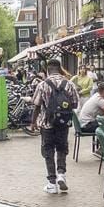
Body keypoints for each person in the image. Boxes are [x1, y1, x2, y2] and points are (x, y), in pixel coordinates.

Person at [31, 59, 79, 194]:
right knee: (62, 148)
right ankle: (61, 174)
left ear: (48, 70)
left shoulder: (42, 84)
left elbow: (36, 105)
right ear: (60, 68)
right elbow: (75, 104)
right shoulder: (69, 84)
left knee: (48, 151)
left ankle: (52, 183)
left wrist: (33, 122)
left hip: (47, 124)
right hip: (63, 123)